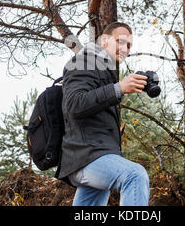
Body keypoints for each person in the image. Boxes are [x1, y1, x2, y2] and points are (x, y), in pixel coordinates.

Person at [57, 22, 150, 206]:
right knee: (134, 175)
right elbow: (75, 104)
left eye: (129, 46)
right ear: (105, 41)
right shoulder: (83, 62)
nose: (125, 49)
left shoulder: (104, 71)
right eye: (120, 42)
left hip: (95, 155)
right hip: (86, 155)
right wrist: (120, 88)